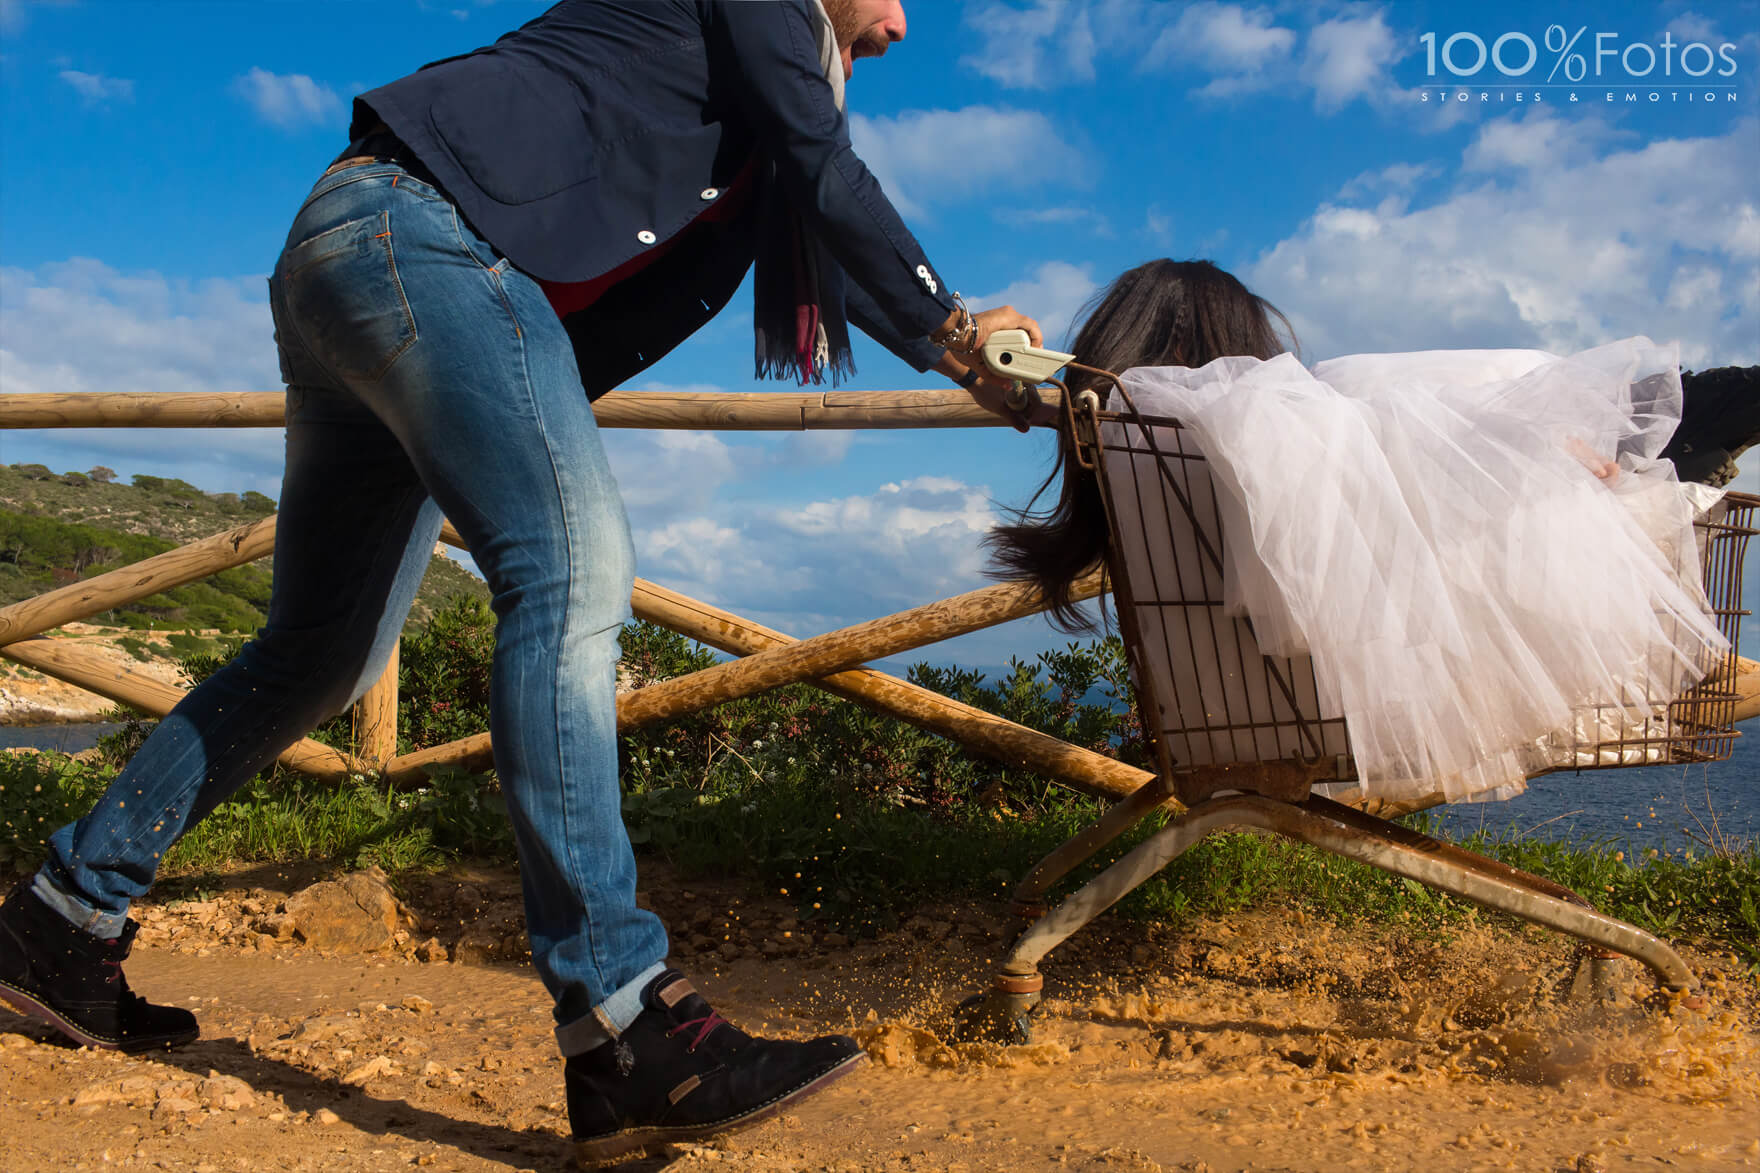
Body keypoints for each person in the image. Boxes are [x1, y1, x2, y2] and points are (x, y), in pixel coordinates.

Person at [0, 1, 1042, 1164]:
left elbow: (812, 212)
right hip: (424, 244)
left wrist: (970, 357)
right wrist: (952, 326)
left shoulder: (754, 113)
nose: (899, 26)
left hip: (352, 247)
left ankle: (57, 920)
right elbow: (822, 158)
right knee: (572, 573)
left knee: (318, 654)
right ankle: (622, 1018)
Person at [988, 258, 1729, 804]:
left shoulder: (1124, 456)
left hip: (1217, 706)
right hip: (1320, 701)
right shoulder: (1287, 433)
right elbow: (1413, 413)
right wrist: (1535, 441)